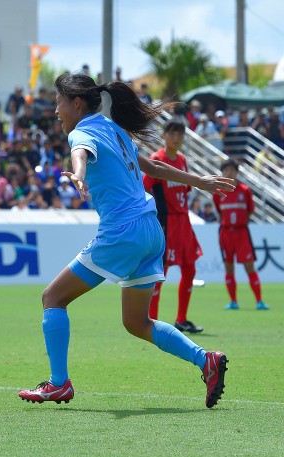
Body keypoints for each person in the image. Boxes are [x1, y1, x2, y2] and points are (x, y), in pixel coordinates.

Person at [18, 73, 234, 409]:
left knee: (53, 297)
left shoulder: (83, 131)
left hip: (123, 233)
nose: (56, 110)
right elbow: (154, 167)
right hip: (151, 231)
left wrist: (78, 173)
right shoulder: (114, 129)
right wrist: (200, 181)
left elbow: (81, 152)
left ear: (76, 103)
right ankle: (205, 360)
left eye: (59, 102)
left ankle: (59, 384)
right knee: (136, 322)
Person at [143, 120, 205, 334]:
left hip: (183, 222)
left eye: (180, 134)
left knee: (190, 268)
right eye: (172, 133)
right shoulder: (156, 160)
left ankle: (181, 319)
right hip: (166, 223)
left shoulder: (182, 161)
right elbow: (145, 188)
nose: (176, 138)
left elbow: (184, 192)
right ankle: (151, 321)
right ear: (164, 135)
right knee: (160, 272)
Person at [213, 160, 269, 311]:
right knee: (229, 267)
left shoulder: (245, 191)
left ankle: (259, 301)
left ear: (237, 173)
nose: (230, 173)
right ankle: (233, 302)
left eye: (232, 170)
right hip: (225, 233)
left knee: (249, 266)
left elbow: (250, 210)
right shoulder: (218, 192)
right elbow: (220, 212)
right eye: (226, 170)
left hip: (242, 233)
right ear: (222, 172)